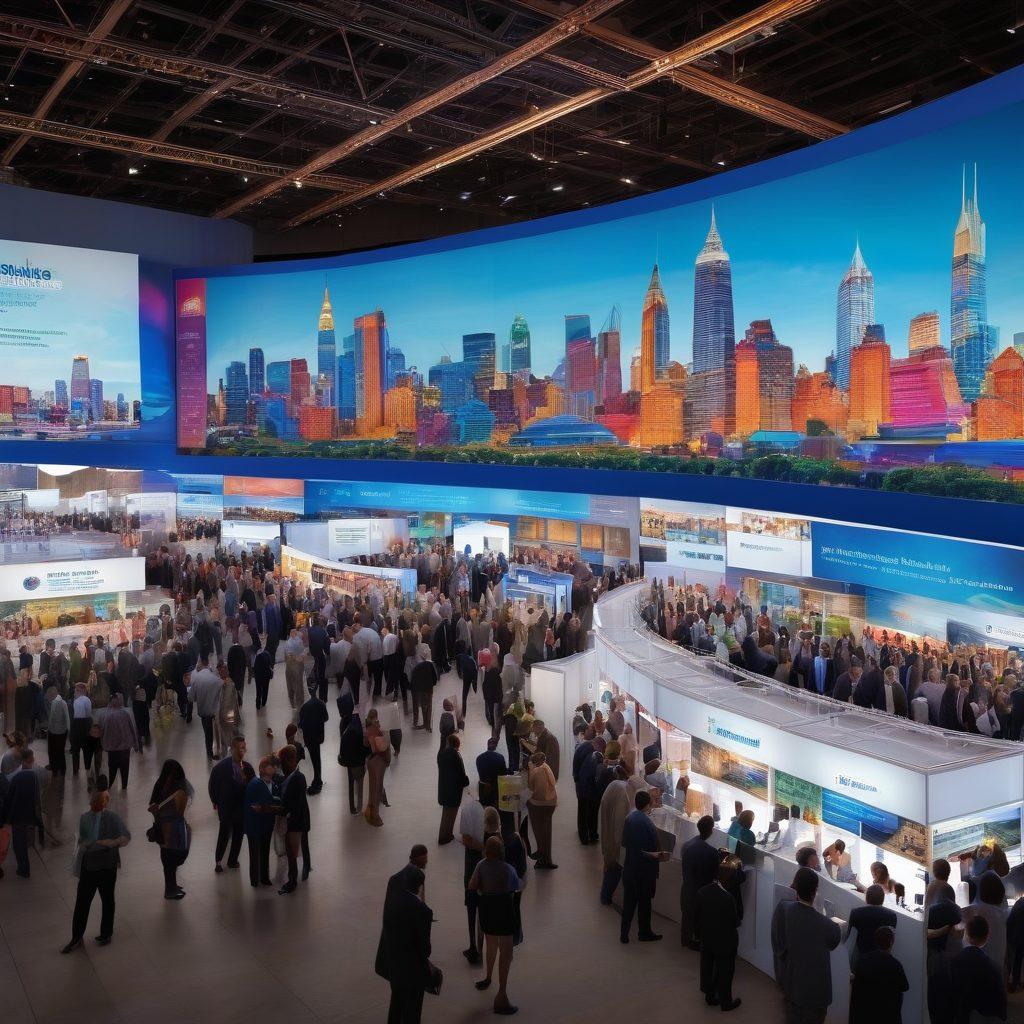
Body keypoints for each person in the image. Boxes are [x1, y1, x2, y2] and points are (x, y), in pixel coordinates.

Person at [61, 787, 131, 953]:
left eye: (100, 800)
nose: (95, 803)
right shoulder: (85, 818)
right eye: (94, 800)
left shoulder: (112, 818)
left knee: (107, 900)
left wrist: (109, 843)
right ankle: (77, 937)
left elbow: (125, 837)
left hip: (106, 866)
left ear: (105, 802)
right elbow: (83, 841)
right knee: (82, 903)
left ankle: (106, 933)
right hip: (90, 867)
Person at [774, 866, 842, 1024]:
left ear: (795, 887)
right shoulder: (827, 925)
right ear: (815, 890)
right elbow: (833, 941)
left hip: (791, 984)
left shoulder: (784, 908)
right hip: (816, 993)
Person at [469, 835, 521, 1016]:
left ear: (486, 850)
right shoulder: (508, 869)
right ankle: (502, 994)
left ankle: (488, 977)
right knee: (506, 953)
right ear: (501, 852)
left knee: (491, 945)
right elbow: (516, 887)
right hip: (504, 911)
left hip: (487, 910)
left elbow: (472, 885)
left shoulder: (481, 865)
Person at [378, 864, 433, 1024]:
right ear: (419, 887)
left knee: (396, 1003)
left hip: (395, 965)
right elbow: (425, 949)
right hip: (413, 971)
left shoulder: (393, 900)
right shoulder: (422, 911)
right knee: (413, 1010)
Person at [694, 859, 743, 1011]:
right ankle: (726, 1002)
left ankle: (710, 996)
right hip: (725, 941)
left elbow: (696, 916)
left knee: (708, 968)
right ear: (730, 880)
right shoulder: (728, 898)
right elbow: (735, 922)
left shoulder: (702, 891)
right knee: (725, 971)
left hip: (707, 938)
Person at [620, 790, 668, 943]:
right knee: (644, 903)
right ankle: (644, 932)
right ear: (648, 805)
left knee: (628, 903)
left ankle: (624, 934)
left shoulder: (630, 818)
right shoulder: (648, 823)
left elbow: (624, 842)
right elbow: (653, 848)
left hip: (630, 867)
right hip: (644, 872)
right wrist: (658, 855)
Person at [950, 915, 1008, 1024]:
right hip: (985, 1015)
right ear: (986, 937)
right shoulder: (993, 967)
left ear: (966, 935)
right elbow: (1000, 1001)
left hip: (961, 1015)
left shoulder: (954, 961)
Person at [147, 759, 192, 899]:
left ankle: (172, 885)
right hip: (169, 828)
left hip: (167, 827)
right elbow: (155, 806)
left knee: (170, 858)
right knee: (170, 859)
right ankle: (170, 890)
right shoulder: (171, 787)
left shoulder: (166, 785)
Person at [849, 925, 909, 1024]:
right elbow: (905, 986)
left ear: (876, 941)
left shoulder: (862, 961)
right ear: (891, 942)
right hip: (887, 1016)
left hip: (864, 1015)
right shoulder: (895, 965)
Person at [208, 734, 248, 873]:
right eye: (239, 747)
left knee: (238, 834)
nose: (242, 750)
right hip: (226, 808)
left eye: (243, 747)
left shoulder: (247, 767)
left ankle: (232, 860)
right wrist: (215, 801)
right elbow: (212, 786)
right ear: (233, 749)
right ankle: (219, 861)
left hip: (240, 808)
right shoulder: (220, 768)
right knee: (224, 833)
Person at [681, 814, 720, 949]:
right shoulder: (712, 852)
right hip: (701, 890)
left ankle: (686, 939)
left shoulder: (686, 845)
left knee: (687, 916)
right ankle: (696, 942)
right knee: (699, 917)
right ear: (711, 831)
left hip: (686, 887)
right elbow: (715, 875)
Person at [0, 748, 41, 877]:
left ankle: (23, 869)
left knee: (19, 844)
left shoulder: (15, 777)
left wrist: (4, 819)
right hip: (29, 815)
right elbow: (37, 799)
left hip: (18, 816)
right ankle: (24, 868)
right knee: (24, 842)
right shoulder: (35, 775)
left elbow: (8, 798)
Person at [276, 743, 310, 894]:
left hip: (297, 822)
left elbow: (292, 805)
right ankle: (304, 869)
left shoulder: (298, 779)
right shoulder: (290, 776)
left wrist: (275, 809)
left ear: (291, 761)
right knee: (296, 848)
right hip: (296, 820)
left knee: (292, 851)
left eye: (283, 763)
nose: (281, 767)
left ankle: (292, 881)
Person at [244, 755, 279, 887]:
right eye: (272, 766)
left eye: (275, 766)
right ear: (263, 768)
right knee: (255, 854)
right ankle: (255, 880)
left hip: (266, 824)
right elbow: (263, 803)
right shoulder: (256, 784)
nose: (275, 768)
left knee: (265, 851)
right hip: (254, 826)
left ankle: (264, 877)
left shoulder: (272, 783)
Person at [847, 883, 898, 967]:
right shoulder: (891, 916)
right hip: (882, 961)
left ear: (867, 898)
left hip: (862, 957)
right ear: (882, 899)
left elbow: (849, 935)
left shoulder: (856, 913)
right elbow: (891, 940)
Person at [99, 693, 139, 790]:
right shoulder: (125, 713)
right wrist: (136, 744)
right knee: (125, 768)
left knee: (112, 768)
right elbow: (132, 729)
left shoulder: (106, 715)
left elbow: (102, 730)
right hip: (125, 747)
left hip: (111, 747)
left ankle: (111, 786)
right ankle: (124, 786)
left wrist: (102, 744)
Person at [526, 750, 558, 870]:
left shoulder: (537, 771)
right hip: (551, 803)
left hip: (540, 805)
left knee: (539, 832)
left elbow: (536, 791)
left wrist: (527, 800)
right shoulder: (545, 766)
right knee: (546, 831)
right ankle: (543, 853)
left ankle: (543, 859)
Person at [188, 655, 223, 759]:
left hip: (204, 711)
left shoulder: (197, 679)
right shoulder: (216, 678)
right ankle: (221, 749)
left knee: (208, 733)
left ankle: (209, 752)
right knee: (219, 729)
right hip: (216, 710)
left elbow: (191, 698)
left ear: (201, 663)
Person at [437, 733, 469, 845]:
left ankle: (445, 835)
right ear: (457, 744)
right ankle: (445, 837)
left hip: (444, 790)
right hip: (454, 791)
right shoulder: (456, 755)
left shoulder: (441, 755)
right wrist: (466, 781)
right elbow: (461, 773)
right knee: (450, 816)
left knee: (445, 815)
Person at [298, 689, 329, 795]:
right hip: (318, 735)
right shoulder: (321, 704)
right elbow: (326, 718)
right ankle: (317, 779)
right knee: (317, 758)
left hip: (308, 736)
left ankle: (317, 781)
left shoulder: (304, 706)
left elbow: (300, 723)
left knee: (314, 758)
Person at [364, 711, 391, 827]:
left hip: (374, 760)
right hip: (378, 761)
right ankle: (373, 816)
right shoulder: (374, 729)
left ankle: (372, 814)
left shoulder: (369, 729)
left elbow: (368, 744)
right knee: (375, 790)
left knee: (375, 789)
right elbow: (379, 747)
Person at [338, 712, 367, 815]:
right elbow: (362, 749)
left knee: (351, 785)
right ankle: (360, 808)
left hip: (348, 762)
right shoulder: (357, 732)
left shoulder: (346, 731)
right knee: (360, 785)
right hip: (357, 763)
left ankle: (352, 807)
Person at [46, 687, 70, 775]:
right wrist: (68, 729)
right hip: (63, 731)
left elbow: (51, 717)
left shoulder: (54, 703)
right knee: (60, 751)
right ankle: (62, 769)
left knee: (52, 750)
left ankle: (54, 769)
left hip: (53, 731)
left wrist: (48, 728)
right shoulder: (63, 702)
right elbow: (67, 717)